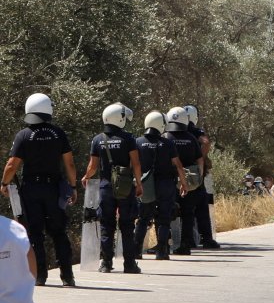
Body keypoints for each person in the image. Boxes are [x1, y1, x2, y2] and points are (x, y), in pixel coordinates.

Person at [1, 93, 77, 287]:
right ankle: (67, 276)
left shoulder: (23, 135)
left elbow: (12, 165)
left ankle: (39, 276)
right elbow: (69, 163)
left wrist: (4, 183)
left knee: (34, 233)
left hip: (31, 189)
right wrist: (73, 186)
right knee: (59, 232)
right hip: (54, 189)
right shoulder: (58, 133)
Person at [81, 102, 143, 274]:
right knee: (127, 225)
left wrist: (86, 177)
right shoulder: (128, 138)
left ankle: (106, 263)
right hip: (124, 187)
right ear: (120, 118)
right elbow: (136, 164)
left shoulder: (97, 139)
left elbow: (93, 166)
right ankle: (129, 264)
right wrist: (139, 184)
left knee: (106, 225)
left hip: (105, 187)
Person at [134, 110, 188, 260]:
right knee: (164, 218)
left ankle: (136, 251)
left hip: (146, 185)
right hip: (165, 185)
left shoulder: (138, 142)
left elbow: (134, 164)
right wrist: (184, 184)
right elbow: (178, 165)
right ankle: (162, 251)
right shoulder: (167, 143)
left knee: (143, 218)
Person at [165, 106, 204, 256]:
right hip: (189, 181)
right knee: (188, 213)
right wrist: (198, 179)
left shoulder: (166, 136)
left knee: (166, 212)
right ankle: (185, 244)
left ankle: (165, 243)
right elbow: (200, 159)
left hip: (169, 180)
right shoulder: (191, 138)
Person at [184, 104, 221, 249]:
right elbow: (206, 142)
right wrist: (201, 157)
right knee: (201, 205)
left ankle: (185, 239)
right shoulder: (196, 130)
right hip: (195, 173)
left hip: (178, 172)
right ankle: (206, 238)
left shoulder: (174, 129)